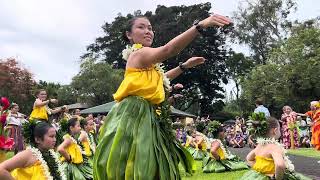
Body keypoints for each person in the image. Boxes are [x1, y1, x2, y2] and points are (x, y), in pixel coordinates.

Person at [93, 14, 231, 179]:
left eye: (150, 28)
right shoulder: (139, 54)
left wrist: (184, 66)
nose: (148, 31)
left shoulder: (147, 64)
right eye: (141, 27)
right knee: (140, 164)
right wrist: (200, 26)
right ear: (129, 35)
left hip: (146, 114)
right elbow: (168, 50)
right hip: (135, 115)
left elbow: (163, 77)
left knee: (150, 164)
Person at [240, 117, 311, 180]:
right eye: (280, 129)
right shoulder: (274, 147)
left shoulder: (259, 145)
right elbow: (280, 165)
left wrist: (261, 170)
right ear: (275, 130)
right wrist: (277, 178)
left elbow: (249, 158)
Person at [0, 121, 66, 180]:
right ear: (38, 139)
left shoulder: (50, 154)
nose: (55, 140)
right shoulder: (27, 154)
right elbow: (1, 169)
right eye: (51, 136)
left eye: (55, 136)